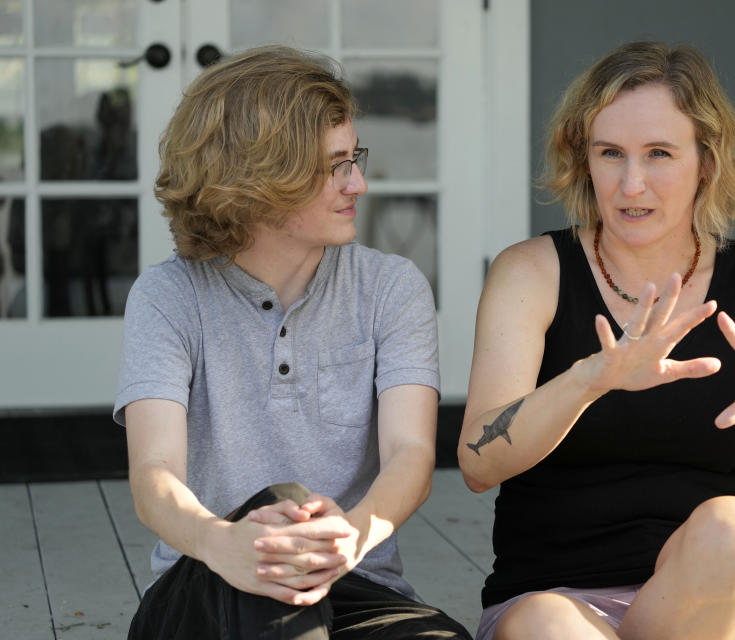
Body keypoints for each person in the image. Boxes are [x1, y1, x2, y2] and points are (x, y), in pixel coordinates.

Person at [458, 41, 735, 640]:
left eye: (659, 153)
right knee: (547, 627)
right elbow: (477, 461)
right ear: (584, 160)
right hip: (560, 599)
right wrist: (590, 379)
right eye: (611, 154)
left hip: (713, 607)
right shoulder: (532, 273)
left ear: (707, 161)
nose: (632, 184)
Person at [114, 45, 471, 640]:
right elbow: (154, 475)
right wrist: (221, 540)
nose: (357, 182)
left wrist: (353, 534)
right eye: (334, 165)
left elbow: (411, 452)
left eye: (354, 158)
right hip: (205, 584)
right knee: (277, 525)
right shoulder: (168, 297)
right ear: (260, 177)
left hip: (355, 583)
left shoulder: (391, 287)